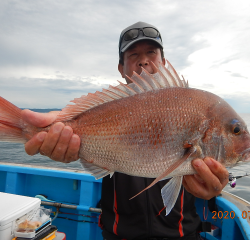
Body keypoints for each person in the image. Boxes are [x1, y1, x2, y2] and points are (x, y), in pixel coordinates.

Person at [22, 22, 229, 240]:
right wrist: (60, 127)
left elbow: (213, 176)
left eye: (151, 52)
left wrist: (214, 184)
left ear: (164, 62)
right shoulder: (107, 110)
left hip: (183, 235)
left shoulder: (191, 108)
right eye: (133, 54)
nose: (143, 60)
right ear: (121, 68)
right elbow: (77, 122)